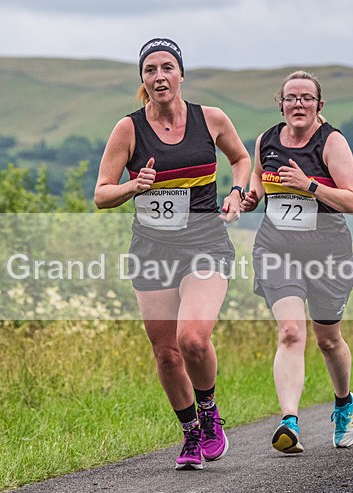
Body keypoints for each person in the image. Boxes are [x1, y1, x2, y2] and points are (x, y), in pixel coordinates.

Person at [94, 38, 251, 470]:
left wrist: (238, 192)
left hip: (205, 241)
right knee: (166, 353)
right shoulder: (128, 129)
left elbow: (241, 158)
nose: (159, 76)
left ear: (181, 74)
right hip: (153, 248)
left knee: (193, 339)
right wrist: (133, 186)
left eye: (167, 68)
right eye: (150, 70)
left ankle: (209, 412)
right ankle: (189, 433)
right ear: (142, 79)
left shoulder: (211, 119)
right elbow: (102, 194)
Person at [240, 71, 353, 453]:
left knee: (328, 340)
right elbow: (259, 181)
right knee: (291, 331)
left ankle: (343, 402)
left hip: (327, 254)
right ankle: (289, 422)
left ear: (319, 106)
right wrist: (250, 197)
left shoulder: (332, 143)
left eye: (306, 98)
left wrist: (308, 185)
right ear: (281, 104)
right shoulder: (267, 141)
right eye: (291, 98)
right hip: (277, 249)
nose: (298, 104)